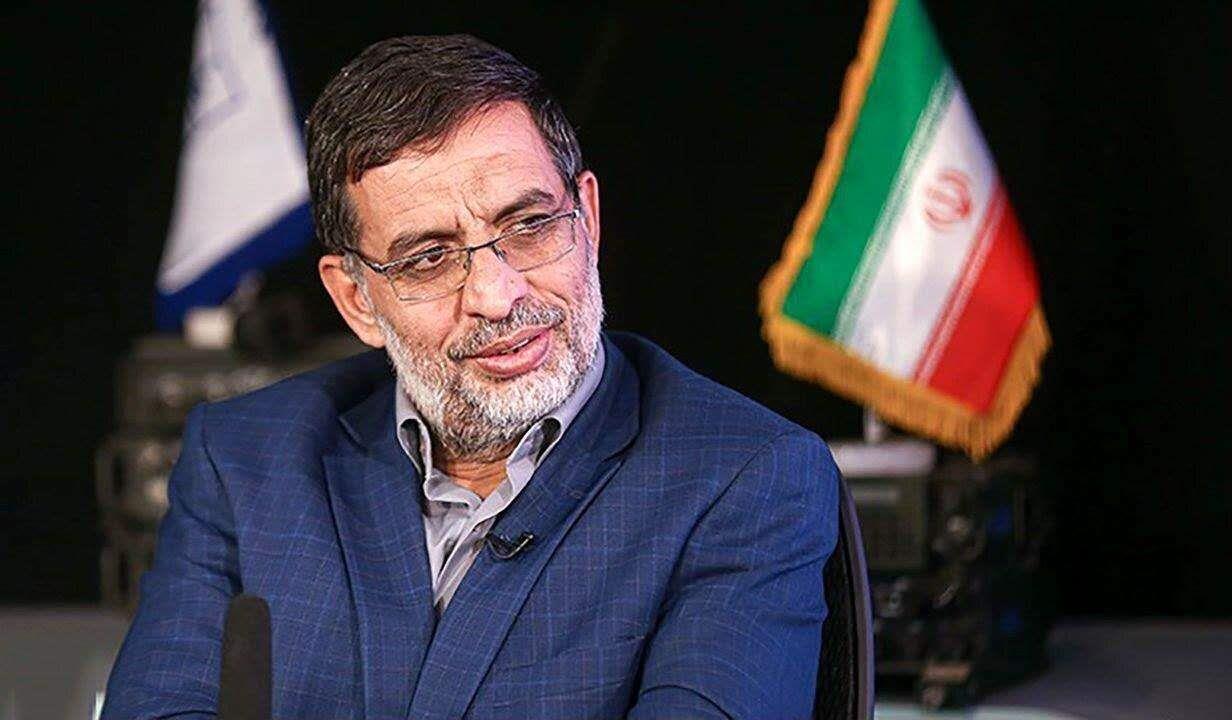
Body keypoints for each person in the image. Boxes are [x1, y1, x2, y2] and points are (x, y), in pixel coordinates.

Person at [104, 34, 842, 719]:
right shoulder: (243, 460)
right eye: (429, 258)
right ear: (356, 298)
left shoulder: (743, 477)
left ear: (586, 216)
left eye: (529, 225)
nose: (497, 294)